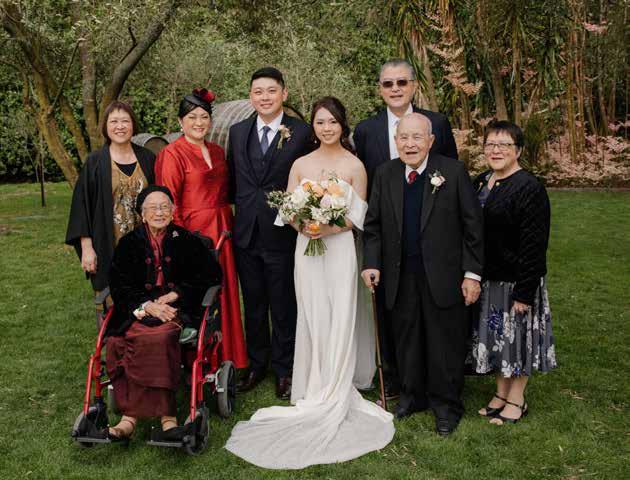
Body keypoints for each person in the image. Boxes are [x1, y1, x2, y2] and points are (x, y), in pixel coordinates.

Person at [225, 97, 394, 469]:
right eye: (320, 122)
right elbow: (287, 208)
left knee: (340, 311)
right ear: (313, 127)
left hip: (340, 250)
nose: (326, 128)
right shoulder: (300, 163)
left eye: (333, 121)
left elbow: (359, 216)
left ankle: (336, 382)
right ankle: (312, 381)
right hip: (306, 248)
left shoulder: (355, 165)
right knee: (312, 311)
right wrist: (304, 224)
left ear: (342, 125)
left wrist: (327, 227)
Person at [362, 113, 483, 436]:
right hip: (399, 275)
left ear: (430, 141)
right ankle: (412, 396)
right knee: (407, 339)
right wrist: (371, 263)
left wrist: (472, 274)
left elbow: (473, 227)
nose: (410, 144)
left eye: (417, 137)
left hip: (443, 275)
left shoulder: (453, 172)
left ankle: (446, 406)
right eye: (403, 137)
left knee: (444, 343)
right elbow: (373, 226)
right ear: (396, 141)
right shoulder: (385, 173)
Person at [353, 58, 458, 399]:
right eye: (388, 83)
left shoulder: (437, 123)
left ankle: (436, 379)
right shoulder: (366, 130)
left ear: (413, 86)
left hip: (431, 236)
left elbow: (452, 176)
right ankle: (397, 379)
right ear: (380, 89)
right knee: (393, 312)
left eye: (402, 82)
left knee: (433, 311)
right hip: (386, 233)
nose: (395, 88)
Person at [101, 185, 222, 441]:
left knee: (159, 337)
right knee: (116, 342)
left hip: (175, 310)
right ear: (142, 214)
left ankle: (164, 419)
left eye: (165, 206)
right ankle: (130, 418)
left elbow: (210, 275)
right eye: (153, 208)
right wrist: (147, 305)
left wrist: (175, 294)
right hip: (139, 310)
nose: (159, 212)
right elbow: (119, 285)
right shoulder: (129, 244)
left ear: (173, 210)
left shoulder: (187, 241)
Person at [226, 67, 312, 400]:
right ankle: (256, 364)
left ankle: (285, 369)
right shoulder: (237, 132)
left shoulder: (302, 133)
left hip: (282, 232)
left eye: (271, 91)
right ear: (251, 96)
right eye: (258, 91)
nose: (265, 97)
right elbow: (234, 180)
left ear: (284, 94)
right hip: (246, 232)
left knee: (283, 303)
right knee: (254, 303)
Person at [471, 120, 557, 425]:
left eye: (504, 145)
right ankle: (500, 393)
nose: (496, 150)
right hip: (490, 279)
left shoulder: (529, 188)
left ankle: (517, 400)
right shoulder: (482, 181)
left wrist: (524, 292)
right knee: (497, 339)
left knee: (517, 341)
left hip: (516, 281)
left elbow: (534, 244)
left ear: (518, 150)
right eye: (490, 145)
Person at [155, 88, 246, 364]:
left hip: (223, 228)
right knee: (196, 291)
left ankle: (230, 355)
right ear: (181, 122)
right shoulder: (172, 153)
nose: (198, 122)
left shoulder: (217, 152)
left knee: (224, 291)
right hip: (192, 232)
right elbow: (168, 202)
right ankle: (197, 360)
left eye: (204, 117)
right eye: (192, 117)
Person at [66, 100, 155, 300]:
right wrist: (87, 248)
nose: (120, 126)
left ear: (133, 124)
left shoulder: (148, 158)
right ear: (106, 126)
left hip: (145, 245)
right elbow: (82, 207)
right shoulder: (95, 162)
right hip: (107, 243)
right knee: (112, 303)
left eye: (125, 121)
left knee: (146, 301)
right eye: (114, 121)